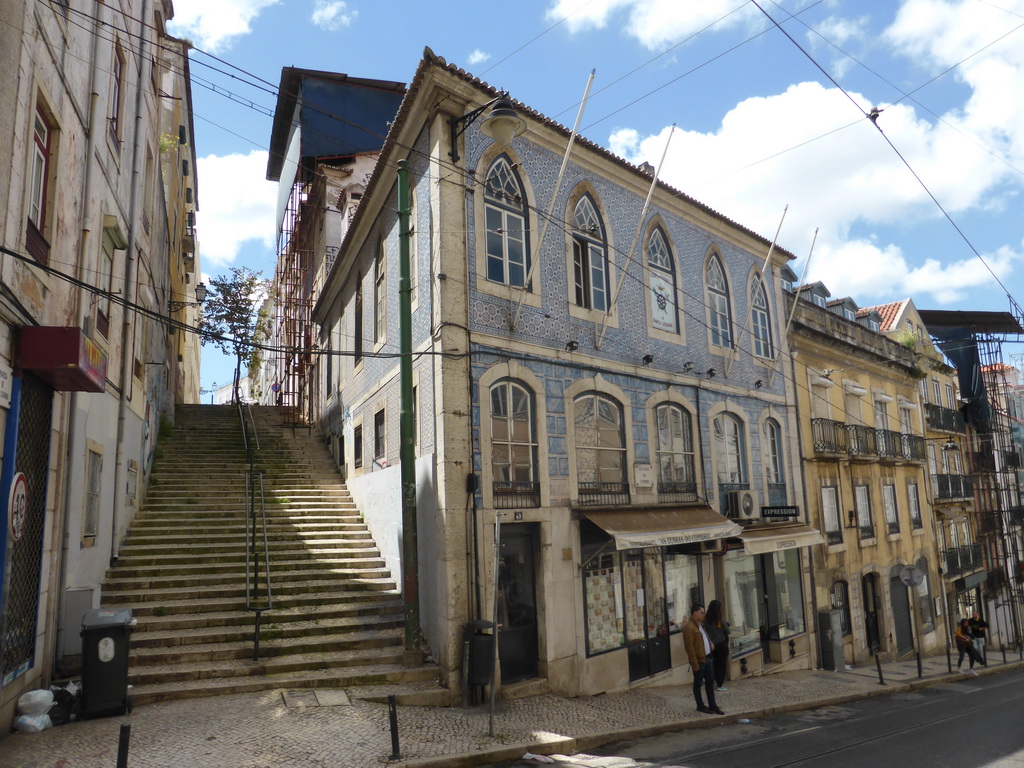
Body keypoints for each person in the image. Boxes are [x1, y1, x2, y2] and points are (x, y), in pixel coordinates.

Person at [682, 603, 724, 715]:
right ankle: (700, 705)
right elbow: (689, 647)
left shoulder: (702, 625)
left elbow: (704, 636)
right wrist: (694, 663)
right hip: (699, 661)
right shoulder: (689, 628)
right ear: (695, 613)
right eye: (701, 612)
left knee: (710, 682)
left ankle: (712, 705)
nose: (703, 614)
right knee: (698, 683)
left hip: (708, 658)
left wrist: (710, 643)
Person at [704, 599, 731, 691]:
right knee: (722, 664)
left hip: (711, 645)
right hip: (721, 644)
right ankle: (720, 684)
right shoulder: (719, 618)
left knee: (713, 663)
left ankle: (712, 680)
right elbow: (728, 631)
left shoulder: (705, 619)